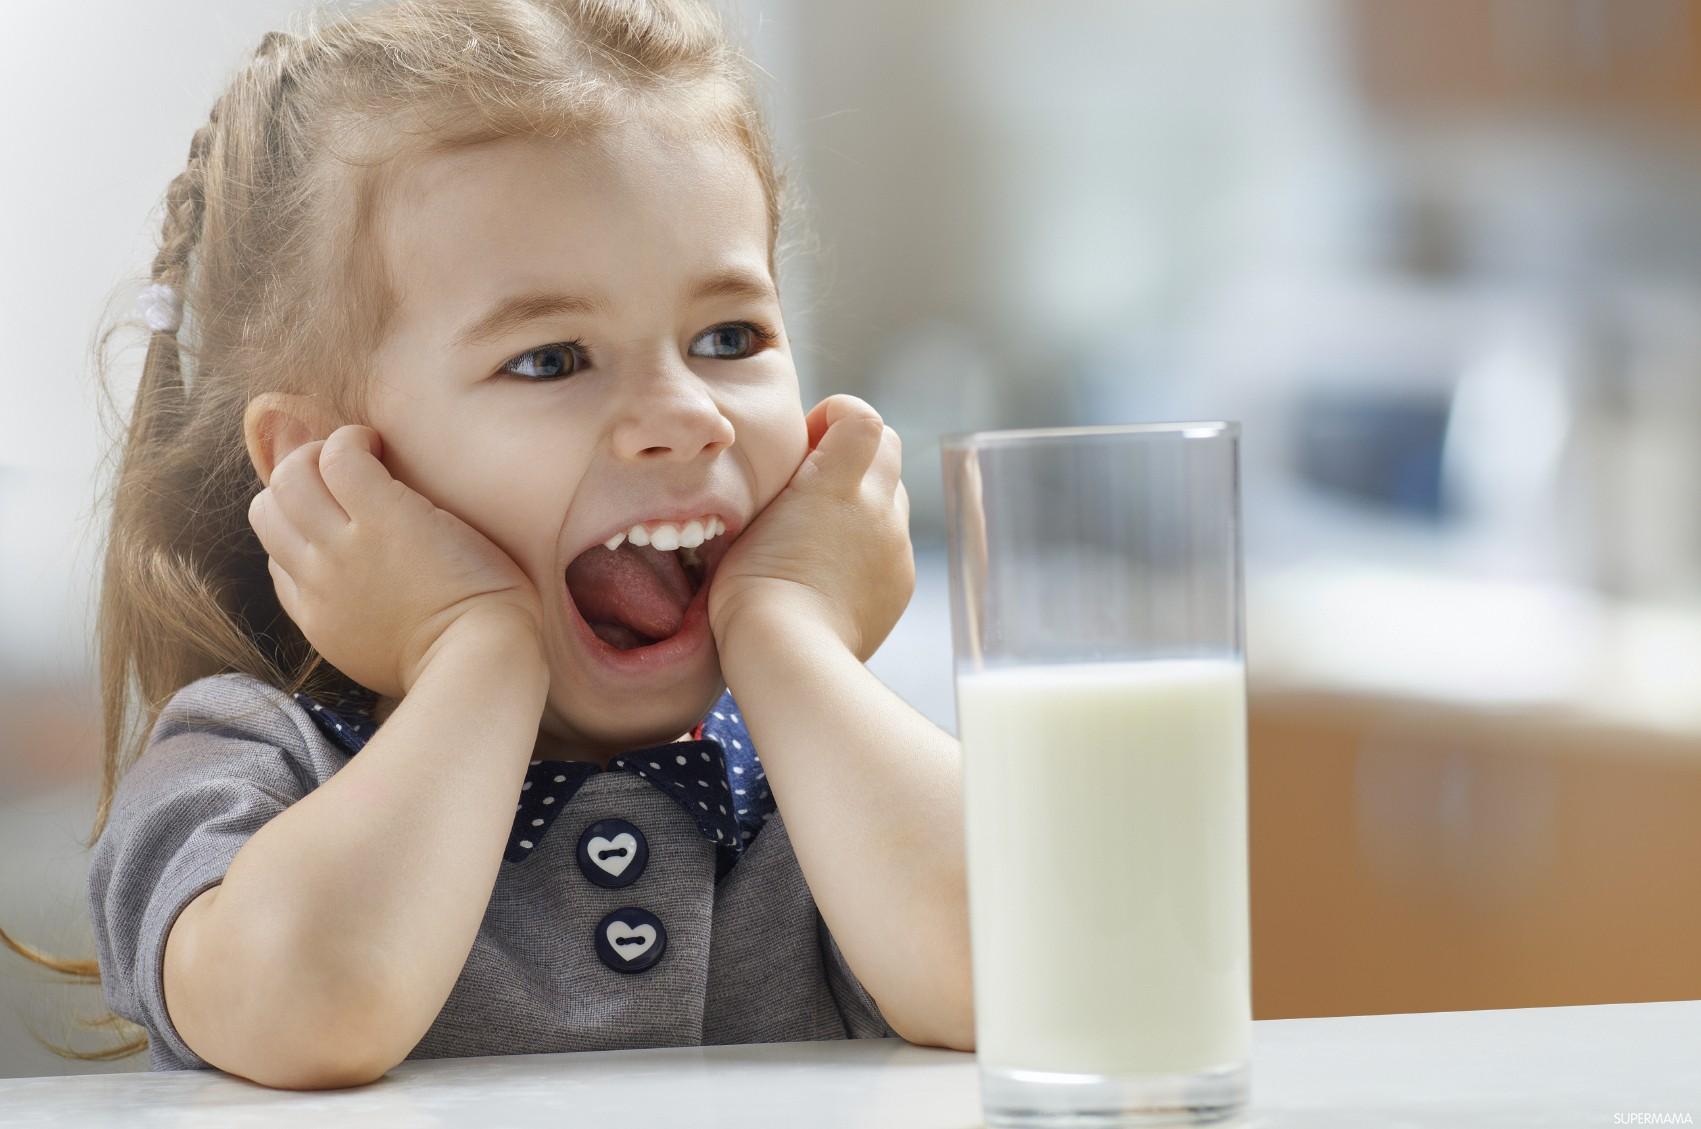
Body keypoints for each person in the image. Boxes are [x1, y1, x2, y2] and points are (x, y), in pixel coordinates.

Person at [1, 0, 972, 1089]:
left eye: (727, 336)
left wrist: (788, 633)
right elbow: (310, 1007)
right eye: (552, 359)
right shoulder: (247, 769)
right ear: (331, 466)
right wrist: (478, 647)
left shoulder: (822, 769)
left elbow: (1038, 971)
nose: (689, 414)